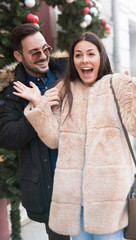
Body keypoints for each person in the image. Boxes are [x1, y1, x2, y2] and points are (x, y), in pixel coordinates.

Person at [12, 32, 136, 240]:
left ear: (101, 56)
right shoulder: (63, 89)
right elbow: (53, 139)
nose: (85, 60)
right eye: (78, 55)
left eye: (91, 53)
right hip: (75, 202)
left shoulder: (116, 84)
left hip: (110, 202)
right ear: (72, 60)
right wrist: (40, 105)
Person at [0, 23, 70, 240]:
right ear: (19, 56)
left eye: (45, 48)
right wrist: (41, 107)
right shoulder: (11, 90)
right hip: (49, 186)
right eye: (34, 52)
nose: (43, 56)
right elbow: (8, 138)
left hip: (84, 178)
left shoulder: (69, 68)